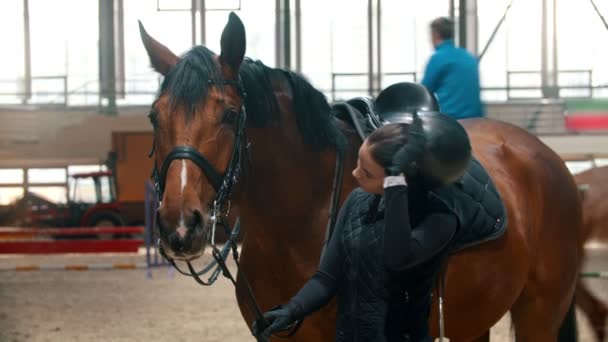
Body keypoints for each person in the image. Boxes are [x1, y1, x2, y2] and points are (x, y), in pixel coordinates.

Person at [253, 82, 506, 342]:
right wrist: (292, 310)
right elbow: (327, 278)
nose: (354, 174)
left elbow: (397, 256)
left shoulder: (440, 219)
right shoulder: (357, 200)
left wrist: (395, 182)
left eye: (366, 172)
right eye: (358, 164)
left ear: (396, 180)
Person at [421, 17, 485, 119]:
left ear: (435, 34)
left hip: (453, 119)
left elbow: (423, 92)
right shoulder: (468, 56)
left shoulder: (438, 58)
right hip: (477, 118)